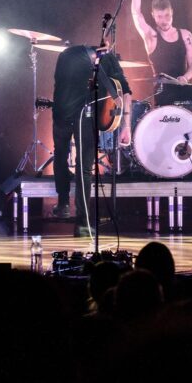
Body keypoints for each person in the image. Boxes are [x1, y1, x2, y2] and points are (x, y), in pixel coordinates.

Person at [52, 42, 132, 237]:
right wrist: (126, 126)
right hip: (84, 114)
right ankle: (83, 222)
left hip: (60, 111)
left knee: (60, 154)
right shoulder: (110, 59)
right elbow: (125, 93)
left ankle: (63, 203)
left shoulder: (66, 54)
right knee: (84, 168)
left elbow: (59, 83)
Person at [131, 0, 192, 106]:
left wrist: (185, 77)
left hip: (185, 92)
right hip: (163, 95)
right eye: (159, 17)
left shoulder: (185, 35)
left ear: (172, 12)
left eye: (167, 15)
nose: (164, 21)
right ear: (153, 15)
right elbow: (136, 14)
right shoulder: (151, 36)